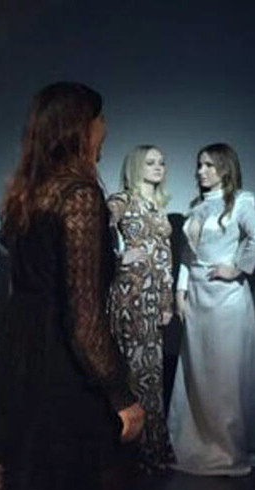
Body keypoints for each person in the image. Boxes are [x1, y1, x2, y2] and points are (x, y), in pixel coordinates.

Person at [0, 82, 144, 490]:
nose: (106, 128)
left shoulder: (32, 191)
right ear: (80, 128)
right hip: (58, 365)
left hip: (13, 353)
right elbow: (85, 319)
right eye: (100, 119)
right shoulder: (79, 196)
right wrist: (121, 396)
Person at [167, 143, 255, 476]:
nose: (200, 171)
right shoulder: (196, 207)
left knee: (225, 375)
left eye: (208, 165)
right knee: (198, 372)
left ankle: (227, 449)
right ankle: (197, 441)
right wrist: (180, 291)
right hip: (196, 298)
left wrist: (237, 268)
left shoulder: (242, 202)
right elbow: (187, 255)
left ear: (224, 167)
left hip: (227, 299)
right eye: (199, 165)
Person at [107, 145, 175, 472]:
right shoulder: (122, 199)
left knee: (151, 373)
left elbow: (165, 260)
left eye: (161, 162)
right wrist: (117, 258)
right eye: (150, 162)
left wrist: (166, 301)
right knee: (132, 371)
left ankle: (152, 449)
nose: (158, 167)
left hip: (154, 298)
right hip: (131, 295)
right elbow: (95, 230)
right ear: (136, 166)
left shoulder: (158, 205)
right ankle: (128, 453)